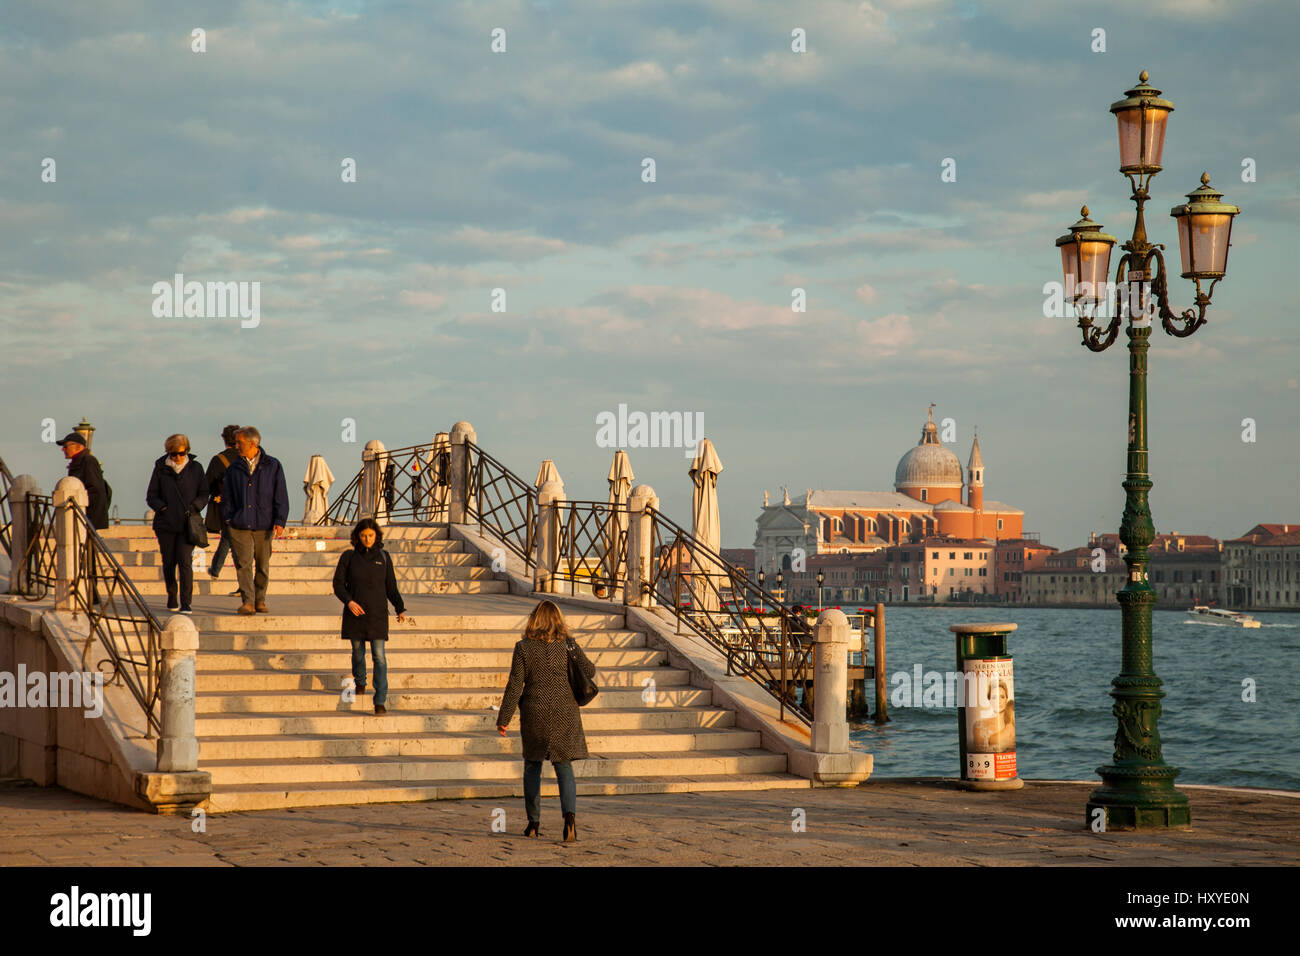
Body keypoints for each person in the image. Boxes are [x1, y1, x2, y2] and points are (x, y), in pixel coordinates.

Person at [496, 600, 596, 843]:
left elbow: (514, 685)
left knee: (532, 766)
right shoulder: (568, 645)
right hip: (565, 711)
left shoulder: (523, 648)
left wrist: (504, 718)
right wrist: (572, 646)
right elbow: (590, 671)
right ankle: (569, 821)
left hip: (535, 712)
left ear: (534, 619)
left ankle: (533, 823)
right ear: (559, 620)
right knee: (564, 767)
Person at [332, 518, 405, 715]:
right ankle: (360, 680)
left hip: (377, 615)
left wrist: (400, 607)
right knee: (357, 652)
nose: (367, 539)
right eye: (363, 536)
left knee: (379, 657)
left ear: (377, 536)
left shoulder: (384, 556)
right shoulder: (348, 557)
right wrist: (349, 601)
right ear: (357, 536)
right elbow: (338, 584)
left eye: (370, 535)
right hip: (355, 613)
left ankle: (380, 700)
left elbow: (391, 587)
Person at [220, 426, 289, 615]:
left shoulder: (273, 465)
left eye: (239, 443)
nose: (236, 446)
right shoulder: (234, 467)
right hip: (239, 525)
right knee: (243, 564)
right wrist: (228, 518)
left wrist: (280, 520)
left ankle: (260, 599)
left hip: (264, 524)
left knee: (262, 565)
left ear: (252, 443)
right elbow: (226, 496)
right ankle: (247, 602)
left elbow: (281, 495)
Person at [145, 434, 208, 613]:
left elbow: (204, 493)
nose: (177, 458)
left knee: (185, 562)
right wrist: (163, 508)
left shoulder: (196, 468)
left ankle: (186, 601)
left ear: (186, 451)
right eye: (173, 454)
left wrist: (195, 506)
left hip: (188, 524)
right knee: (169, 562)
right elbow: (151, 495)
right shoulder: (160, 468)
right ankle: (172, 595)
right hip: (166, 524)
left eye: (180, 453)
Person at [205, 425, 241, 588]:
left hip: (225, 506)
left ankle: (217, 570)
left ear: (224, 440)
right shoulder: (245, 458)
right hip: (244, 507)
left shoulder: (218, 460)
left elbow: (206, 485)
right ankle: (215, 569)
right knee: (229, 537)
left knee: (230, 538)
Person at [56, 432, 110, 529]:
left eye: (65, 446)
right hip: (83, 518)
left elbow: (95, 490)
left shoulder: (88, 461)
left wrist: (85, 514)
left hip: (88, 519)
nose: (63, 449)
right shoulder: (79, 462)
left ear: (78, 447)